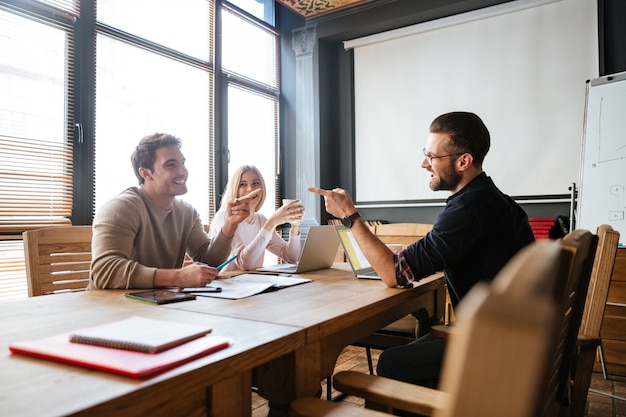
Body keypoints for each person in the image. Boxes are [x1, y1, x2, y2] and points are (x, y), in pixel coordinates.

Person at [308, 111, 535, 387]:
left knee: (392, 363)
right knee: (419, 342)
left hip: (493, 343)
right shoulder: (494, 201)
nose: (423, 163)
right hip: (511, 333)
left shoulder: (468, 210)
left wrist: (350, 217)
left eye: (432, 157)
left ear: (464, 161)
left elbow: (394, 273)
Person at [89, 133, 258, 290]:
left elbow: (209, 261)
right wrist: (177, 277)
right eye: (171, 164)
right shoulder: (121, 208)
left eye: (182, 163)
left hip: (161, 306)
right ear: (145, 173)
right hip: (113, 310)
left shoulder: (186, 212)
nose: (183, 171)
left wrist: (230, 223)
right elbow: (104, 271)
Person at [208, 165, 305, 272]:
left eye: (255, 183)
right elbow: (244, 264)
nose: (250, 189)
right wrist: (273, 222)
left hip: (253, 283)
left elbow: (290, 257)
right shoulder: (225, 217)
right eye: (243, 184)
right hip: (228, 285)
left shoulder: (260, 219)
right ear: (235, 189)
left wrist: (295, 226)